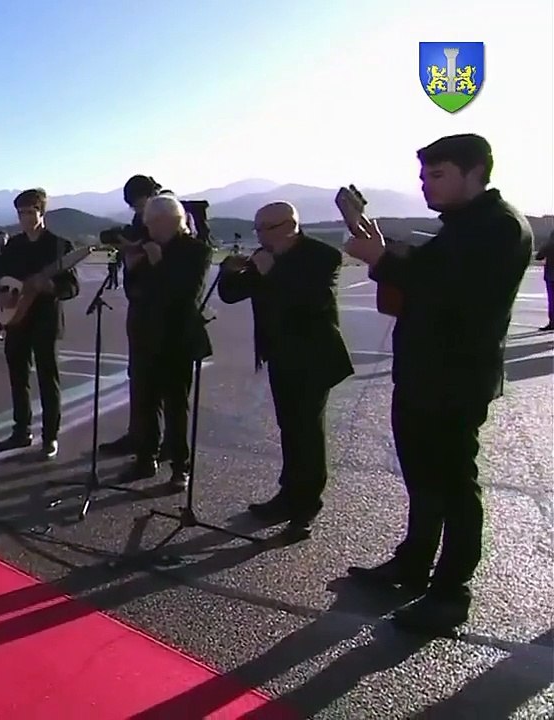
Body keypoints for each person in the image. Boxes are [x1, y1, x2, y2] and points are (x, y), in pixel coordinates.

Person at [343, 134, 532, 634]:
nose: (426, 185)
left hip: (455, 381)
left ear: (476, 172)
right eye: (424, 176)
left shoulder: (500, 227)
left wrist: (380, 260)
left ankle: (450, 594)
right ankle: (412, 565)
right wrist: (385, 252)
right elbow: (430, 273)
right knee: (424, 483)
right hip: (424, 375)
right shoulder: (464, 226)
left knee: (453, 488)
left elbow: (452, 292)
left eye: (439, 174)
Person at [216, 201, 353, 538]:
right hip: (279, 355)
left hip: (313, 357)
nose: (261, 235)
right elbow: (231, 295)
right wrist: (228, 270)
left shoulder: (322, 256)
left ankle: (306, 505)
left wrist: (269, 273)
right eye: (258, 228)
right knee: (289, 427)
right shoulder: (264, 258)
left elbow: (308, 299)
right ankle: (288, 494)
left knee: (307, 429)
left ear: (291, 225)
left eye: (268, 228)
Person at [114, 194, 213, 490]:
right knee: (144, 401)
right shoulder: (147, 247)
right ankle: (146, 459)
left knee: (175, 404)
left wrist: (158, 264)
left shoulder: (196, 251)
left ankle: (180, 467)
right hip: (144, 335)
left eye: (153, 223)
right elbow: (135, 292)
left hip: (177, 338)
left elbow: (185, 295)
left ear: (170, 220)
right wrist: (132, 267)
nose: (149, 229)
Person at [0, 189, 80, 460]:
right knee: (18, 376)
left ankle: (50, 437)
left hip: (45, 320)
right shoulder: (12, 246)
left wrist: (50, 286)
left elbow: (72, 286)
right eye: (21, 213)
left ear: (42, 212)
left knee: (48, 379)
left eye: (30, 212)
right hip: (15, 320)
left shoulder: (60, 246)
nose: (25, 218)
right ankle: (21, 430)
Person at [99, 174, 168, 460]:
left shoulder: (168, 216)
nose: (139, 212)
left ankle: (168, 447)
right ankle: (139, 435)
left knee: (165, 384)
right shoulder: (143, 221)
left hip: (164, 310)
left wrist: (138, 248)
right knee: (139, 377)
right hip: (140, 304)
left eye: (140, 205)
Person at [536, 229, 553, 332]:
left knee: (552, 301)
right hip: (551, 275)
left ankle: (552, 323)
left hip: (551, 276)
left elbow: (539, 256)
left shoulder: (549, 246)